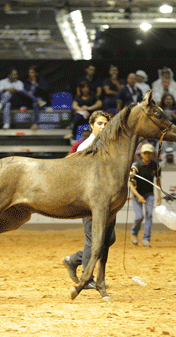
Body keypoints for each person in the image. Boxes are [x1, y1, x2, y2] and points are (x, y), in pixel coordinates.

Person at [62, 110, 113, 289]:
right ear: (92, 125)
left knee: (109, 237)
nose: (103, 127)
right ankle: (87, 277)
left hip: (103, 199)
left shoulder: (108, 145)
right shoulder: (85, 146)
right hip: (88, 199)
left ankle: (73, 259)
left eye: (106, 124)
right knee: (93, 238)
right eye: (100, 123)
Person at [129, 143, 161, 248]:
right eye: (145, 153)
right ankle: (134, 233)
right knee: (139, 217)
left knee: (149, 216)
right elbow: (130, 184)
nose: (147, 155)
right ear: (141, 154)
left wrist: (159, 196)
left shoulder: (156, 166)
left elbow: (158, 180)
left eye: (149, 153)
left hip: (149, 194)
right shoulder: (136, 167)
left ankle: (146, 239)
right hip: (137, 195)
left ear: (152, 154)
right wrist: (138, 196)